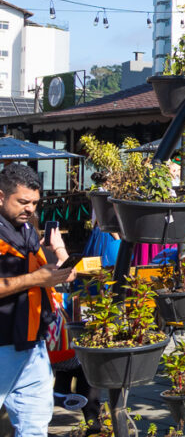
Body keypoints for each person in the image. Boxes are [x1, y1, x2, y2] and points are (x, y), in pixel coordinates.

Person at [0, 163, 75, 436]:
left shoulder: (28, 230)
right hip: (2, 344)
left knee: (35, 427)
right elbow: (33, 278)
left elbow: (43, 273)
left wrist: (59, 258)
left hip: (33, 345)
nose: (30, 208)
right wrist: (36, 279)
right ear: (0, 196)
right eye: (22, 201)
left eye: (34, 203)